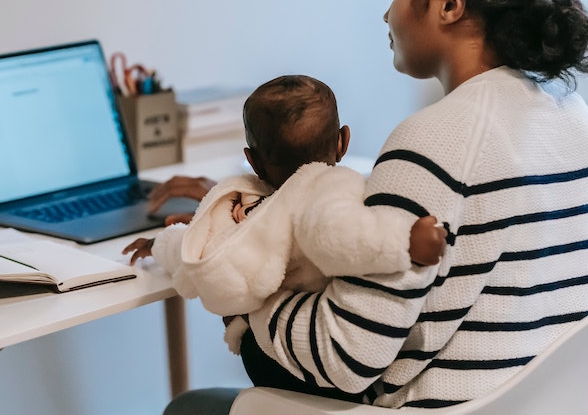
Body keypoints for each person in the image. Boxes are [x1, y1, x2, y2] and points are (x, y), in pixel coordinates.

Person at [158, 0, 588, 414]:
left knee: (193, 406)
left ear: (449, 4)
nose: (386, 12)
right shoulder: (569, 113)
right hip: (539, 403)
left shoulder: (435, 137)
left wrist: (240, 273)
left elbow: (346, 357)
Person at [123, 75, 447, 353]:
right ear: (343, 142)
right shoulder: (326, 191)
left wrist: (159, 244)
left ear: (252, 161)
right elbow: (344, 236)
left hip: (271, 352)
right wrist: (406, 241)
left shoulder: (250, 211)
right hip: (300, 352)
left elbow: (196, 252)